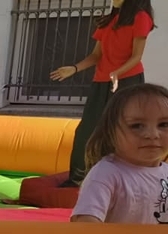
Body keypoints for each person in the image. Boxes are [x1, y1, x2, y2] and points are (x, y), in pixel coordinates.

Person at [51, 0, 156, 186]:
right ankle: (78, 179)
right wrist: (74, 68)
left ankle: (129, 179)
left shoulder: (141, 17)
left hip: (128, 81)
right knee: (86, 130)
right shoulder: (108, 20)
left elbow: (136, 57)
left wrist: (117, 73)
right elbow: (96, 55)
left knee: (123, 131)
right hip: (101, 81)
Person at [71, 83, 168, 224]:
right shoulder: (107, 174)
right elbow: (86, 222)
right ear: (110, 132)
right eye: (136, 126)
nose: (152, 135)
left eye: (164, 124)